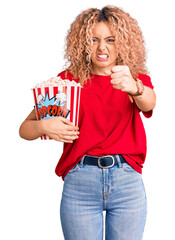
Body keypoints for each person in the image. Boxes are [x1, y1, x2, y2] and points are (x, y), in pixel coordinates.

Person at [19, 6, 156, 240]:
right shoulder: (67, 82)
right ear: (83, 43)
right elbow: (25, 129)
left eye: (110, 39)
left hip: (127, 182)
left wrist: (135, 88)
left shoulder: (131, 77)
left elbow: (149, 103)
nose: (102, 47)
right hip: (80, 182)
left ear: (122, 42)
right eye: (94, 39)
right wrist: (43, 126)